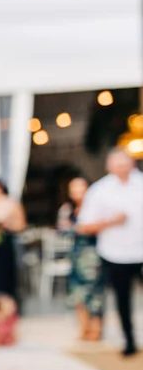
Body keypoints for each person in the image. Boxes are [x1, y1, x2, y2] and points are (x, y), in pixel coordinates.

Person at [77, 149, 143, 357]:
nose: (122, 169)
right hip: (116, 254)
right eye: (117, 166)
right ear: (110, 167)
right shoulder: (100, 190)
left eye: (125, 165)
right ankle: (129, 340)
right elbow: (84, 225)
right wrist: (111, 222)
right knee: (123, 300)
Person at [58, 177, 105, 342]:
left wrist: (84, 229)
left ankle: (96, 328)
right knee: (77, 292)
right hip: (76, 254)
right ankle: (83, 326)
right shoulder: (68, 209)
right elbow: (62, 229)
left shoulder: (96, 208)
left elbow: (101, 228)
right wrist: (81, 229)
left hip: (94, 254)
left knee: (95, 292)